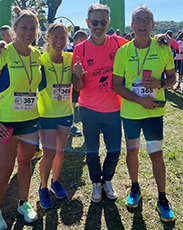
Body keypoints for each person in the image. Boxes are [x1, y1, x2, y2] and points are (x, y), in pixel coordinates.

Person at [112, 5, 176, 222]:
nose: (142, 24)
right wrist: (139, 100)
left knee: (156, 154)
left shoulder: (163, 48)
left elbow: (172, 79)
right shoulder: (123, 52)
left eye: (146, 20)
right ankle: (135, 188)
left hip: (154, 113)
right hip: (131, 113)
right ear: (132, 25)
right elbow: (116, 85)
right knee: (132, 153)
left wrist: (160, 83)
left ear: (153, 24)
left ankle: (162, 199)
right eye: (137, 20)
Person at [0, 9, 40, 229]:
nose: (28, 32)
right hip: (5, 122)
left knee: (25, 164)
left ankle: (23, 203)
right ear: (14, 29)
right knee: (5, 168)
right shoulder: (1, 53)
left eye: (32, 28)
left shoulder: (37, 55)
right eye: (23, 27)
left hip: (30, 120)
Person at [72, 3, 128, 203]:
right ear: (88, 23)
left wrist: (160, 38)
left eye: (103, 22)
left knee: (115, 150)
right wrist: (77, 75)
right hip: (89, 109)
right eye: (94, 22)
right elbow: (77, 87)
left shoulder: (119, 43)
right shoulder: (80, 49)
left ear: (108, 22)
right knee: (92, 150)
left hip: (114, 109)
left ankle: (107, 180)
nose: (98, 26)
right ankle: (96, 182)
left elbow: (141, 42)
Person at [37, 23, 73, 209]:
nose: (59, 41)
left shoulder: (71, 58)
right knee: (49, 153)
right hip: (47, 115)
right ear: (48, 38)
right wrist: (1, 45)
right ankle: (43, 187)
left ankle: (55, 181)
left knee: (61, 151)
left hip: (66, 113)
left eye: (63, 37)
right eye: (55, 37)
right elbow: (21, 50)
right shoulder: (40, 59)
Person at [70, 30, 88, 137]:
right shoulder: (70, 50)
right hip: (72, 82)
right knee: (72, 104)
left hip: (83, 82)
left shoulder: (85, 50)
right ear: (81, 40)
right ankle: (71, 125)